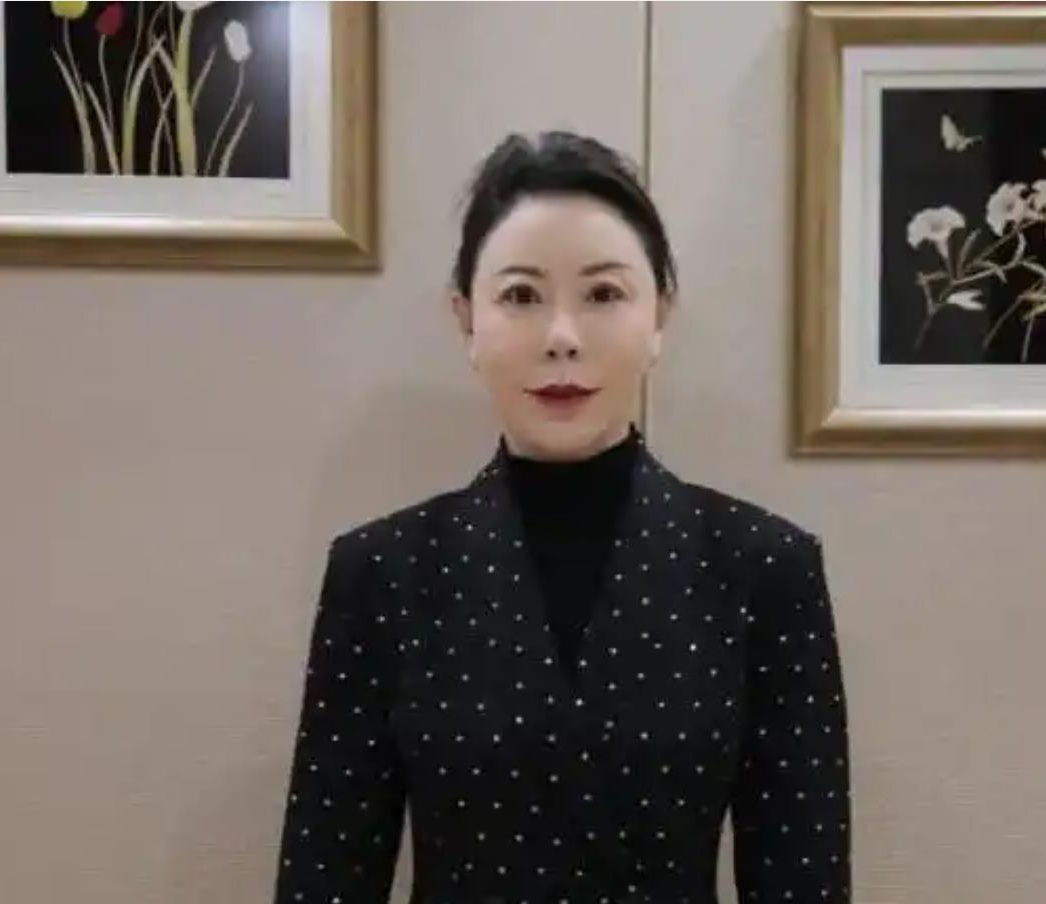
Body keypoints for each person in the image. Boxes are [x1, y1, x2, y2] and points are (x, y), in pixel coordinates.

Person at [271, 130, 851, 904]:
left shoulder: (764, 569)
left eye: (604, 295)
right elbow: (326, 878)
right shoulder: (381, 573)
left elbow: (803, 882)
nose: (562, 339)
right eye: (520, 296)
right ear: (466, 321)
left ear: (659, 318)